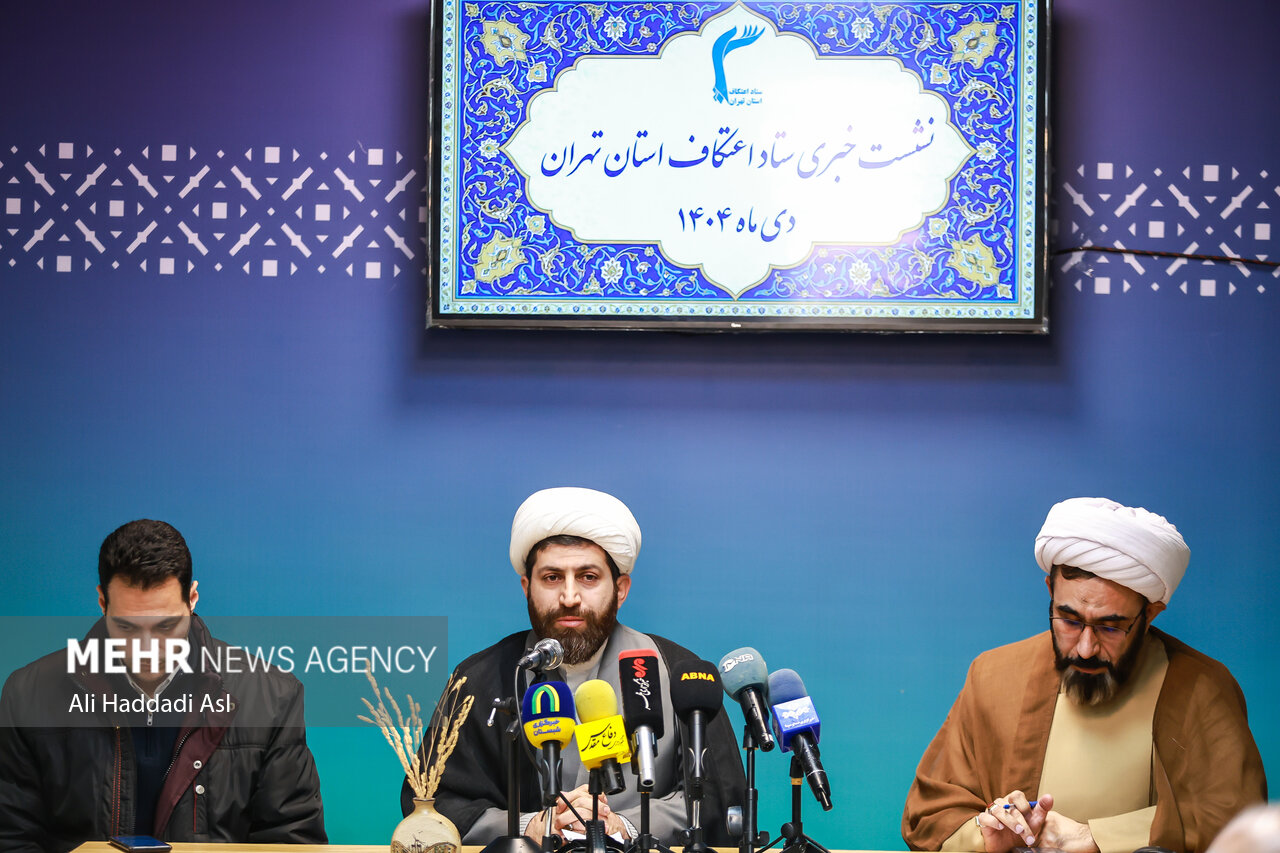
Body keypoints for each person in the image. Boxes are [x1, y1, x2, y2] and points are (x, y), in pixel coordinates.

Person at [902, 497, 1267, 853]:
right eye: (1070, 620)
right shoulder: (993, 675)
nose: (1086, 648)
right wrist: (987, 838)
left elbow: (1237, 823)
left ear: (1150, 614)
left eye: (1110, 627)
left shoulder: (1203, 687)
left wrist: (1094, 838)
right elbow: (931, 816)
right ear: (1050, 589)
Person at [404, 487, 746, 846]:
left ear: (621, 589)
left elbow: (721, 800)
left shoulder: (677, 673)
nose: (569, 597)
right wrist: (530, 826)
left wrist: (623, 827)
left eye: (588, 577)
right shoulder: (478, 680)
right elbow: (432, 802)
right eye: (552, 577)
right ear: (526, 587)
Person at [0, 519, 326, 851]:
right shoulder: (28, 695)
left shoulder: (273, 698)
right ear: (102, 603)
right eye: (127, 627)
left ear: (192, 598)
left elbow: (292, 841)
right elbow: (11, 837)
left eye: (166, 626)